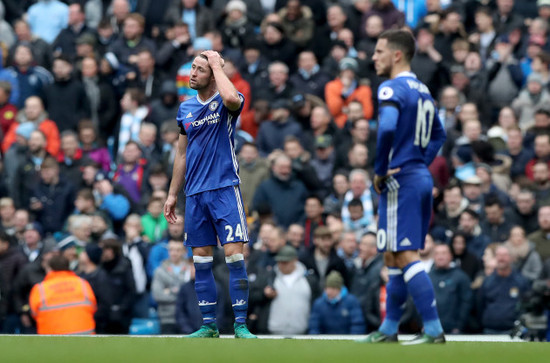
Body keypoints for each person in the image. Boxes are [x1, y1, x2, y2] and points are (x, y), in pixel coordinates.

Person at [359, 30, 446, 345]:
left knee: (406, 254)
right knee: (393, 256)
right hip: (418, 176)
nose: (373, 57)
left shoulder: (391, 87)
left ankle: (434, 330)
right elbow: (440, 134)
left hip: (401, 180)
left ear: (397, 55)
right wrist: (421, 161)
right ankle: (389, 330)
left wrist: (381, 170)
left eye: (379, 51)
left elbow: (387, 128)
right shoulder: (423, 90)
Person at [163, 50, 256, 339]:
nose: (192, 73)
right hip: (195, 195)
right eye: (193, 68)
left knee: (234, 256)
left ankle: (240, 324)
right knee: (201, 259)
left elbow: (231, 99)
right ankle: (208, 325)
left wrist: (216, 64)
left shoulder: (226, 100)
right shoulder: (185, 109)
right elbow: (182, 154)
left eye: (199, 69)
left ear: (213, 74)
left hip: (225, 189)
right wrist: (171, 195)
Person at [29, 255, 96, 335]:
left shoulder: (40, 289)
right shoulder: (82, 283)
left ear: (50, 269)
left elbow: (34, 314)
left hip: (53, 341)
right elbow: (93, 307)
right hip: (86, 340)